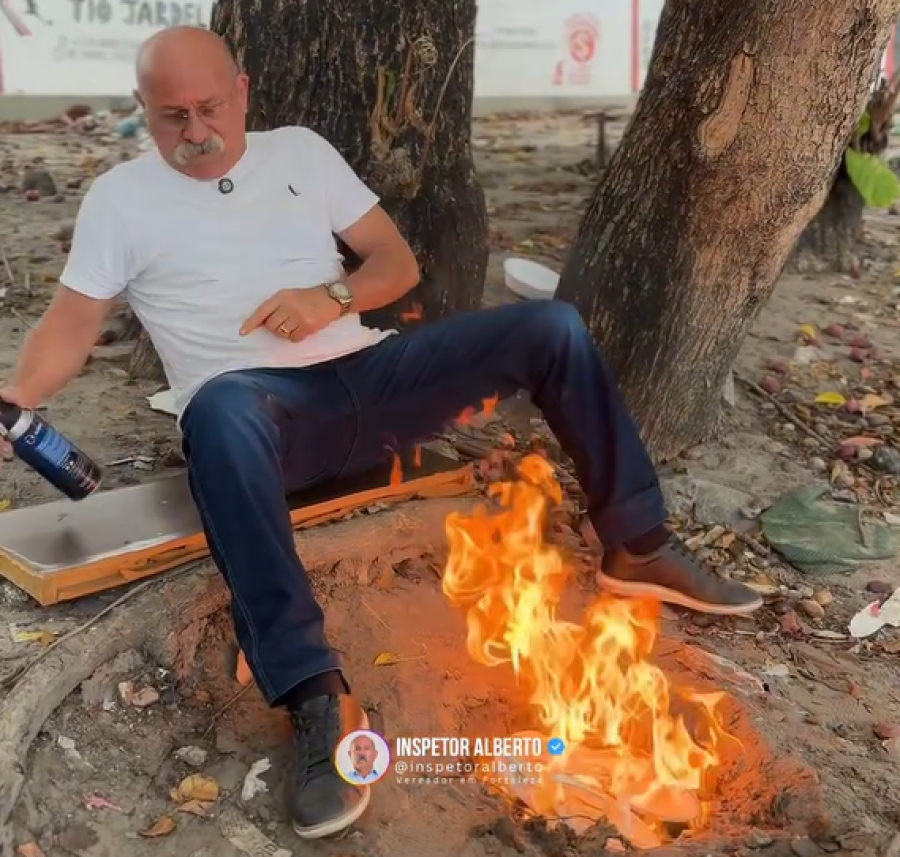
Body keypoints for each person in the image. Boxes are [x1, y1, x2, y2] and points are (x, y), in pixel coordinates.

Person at [0, 25, 762, 842]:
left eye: (209, 108)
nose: (194, 132)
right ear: (143, 111)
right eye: (171, 116)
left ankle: (638, 544)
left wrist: (326, 299)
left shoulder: (300, 153)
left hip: (375, 379)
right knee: (217, 412)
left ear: (244, 90)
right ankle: (317, 699)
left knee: (551, 326)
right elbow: (71, 325)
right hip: (264, 416)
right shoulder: (121, 199)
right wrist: (10, 395)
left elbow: (394, 265)